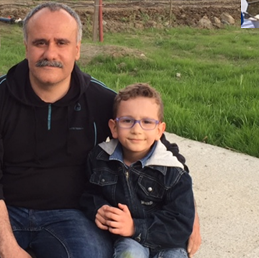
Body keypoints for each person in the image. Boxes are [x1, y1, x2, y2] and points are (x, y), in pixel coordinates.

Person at [0, 2, 202, 258]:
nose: (50, 53)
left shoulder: (102, 101)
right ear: (26, 45)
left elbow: (162, 152)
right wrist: (9, 249)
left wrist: (190, 219)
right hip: (5, 208)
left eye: (61, 43)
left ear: (77, 49)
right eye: (40, 42)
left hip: (72, 215)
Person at [81, 84, 195, 258]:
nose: (136, 129)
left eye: (147, 122)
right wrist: (99, 209)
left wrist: (135, 227)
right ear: (113, 127)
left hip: (168, 243)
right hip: (128, 240)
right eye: (127, 121)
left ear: (159, 130)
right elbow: (88, 194)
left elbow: (181, 224)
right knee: (129, 254)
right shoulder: (100, 158)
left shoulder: (174, 173)